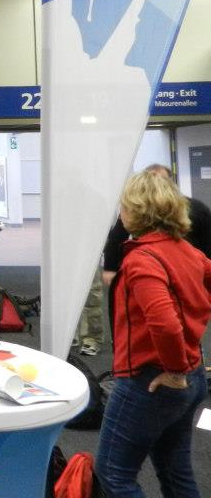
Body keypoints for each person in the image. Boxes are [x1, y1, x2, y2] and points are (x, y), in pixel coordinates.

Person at [95, 170, 211, 497]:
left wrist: (174, 370)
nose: (121, 212)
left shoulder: (142, 259)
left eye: (124, 206)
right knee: (175, 468)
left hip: (152, 381)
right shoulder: (188, 251)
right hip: (192, 375)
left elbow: (165, 324)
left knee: (113, 474)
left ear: (138, 210)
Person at [102, 163, 211, 288]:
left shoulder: (196, 210)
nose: (157, 187)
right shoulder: (135, 211)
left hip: (189, 272)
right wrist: (110, 266)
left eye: (161, 182)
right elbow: (117, 237)